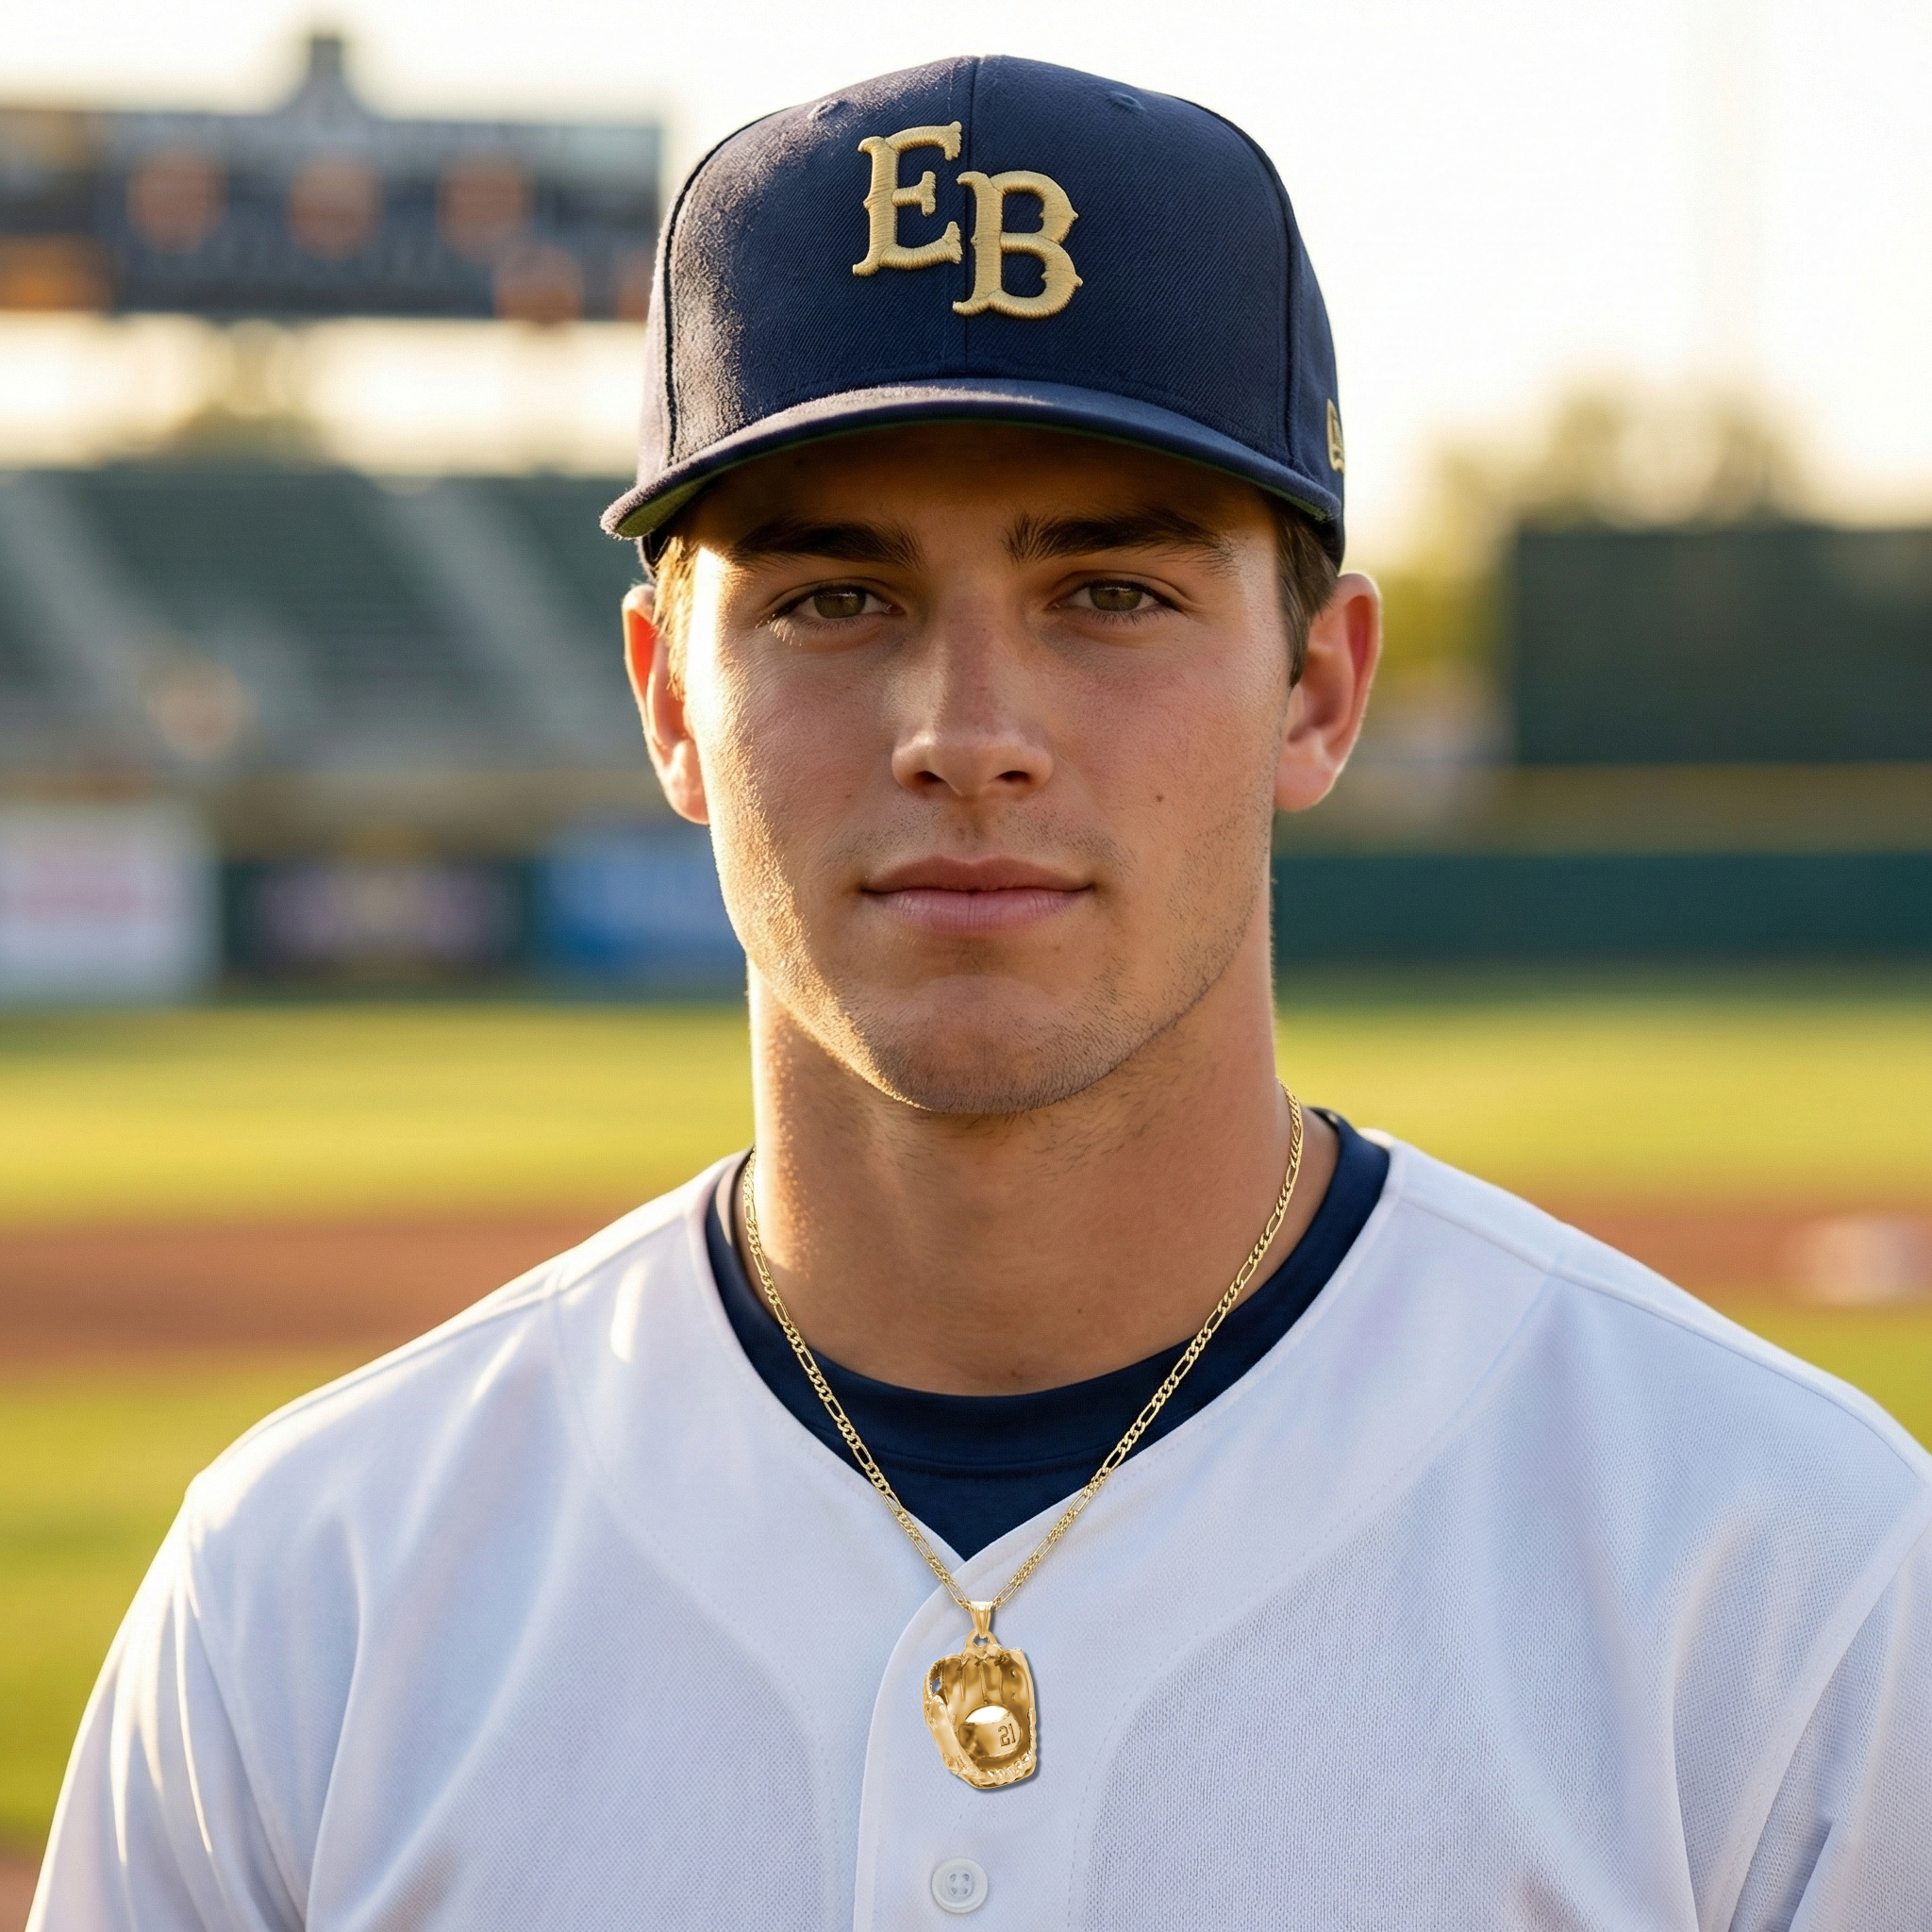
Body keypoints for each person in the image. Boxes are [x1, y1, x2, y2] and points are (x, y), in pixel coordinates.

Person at [31, 55, 1931, 1932]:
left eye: (1110, 593)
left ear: (1320, 688)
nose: (967, 733)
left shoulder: (1780, 1582)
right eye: (829, 599)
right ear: (667, 694)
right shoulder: (302, 1605)